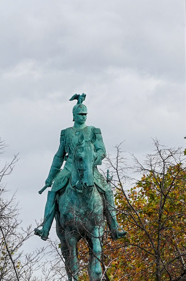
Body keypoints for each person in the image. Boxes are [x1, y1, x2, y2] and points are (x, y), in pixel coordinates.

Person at [34, 93, 126, 241]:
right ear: (74, 115)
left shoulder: (93, 131)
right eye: (80, 114)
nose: (83, 116)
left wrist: (95, 158)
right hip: (69, 168)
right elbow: (59, 156)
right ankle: (45, 228)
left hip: (89, 168)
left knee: (107, 190)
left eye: (85, 114)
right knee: (53, 192)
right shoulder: (66, 133)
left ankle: (115, 227)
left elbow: (101, 150)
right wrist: (50, 177)